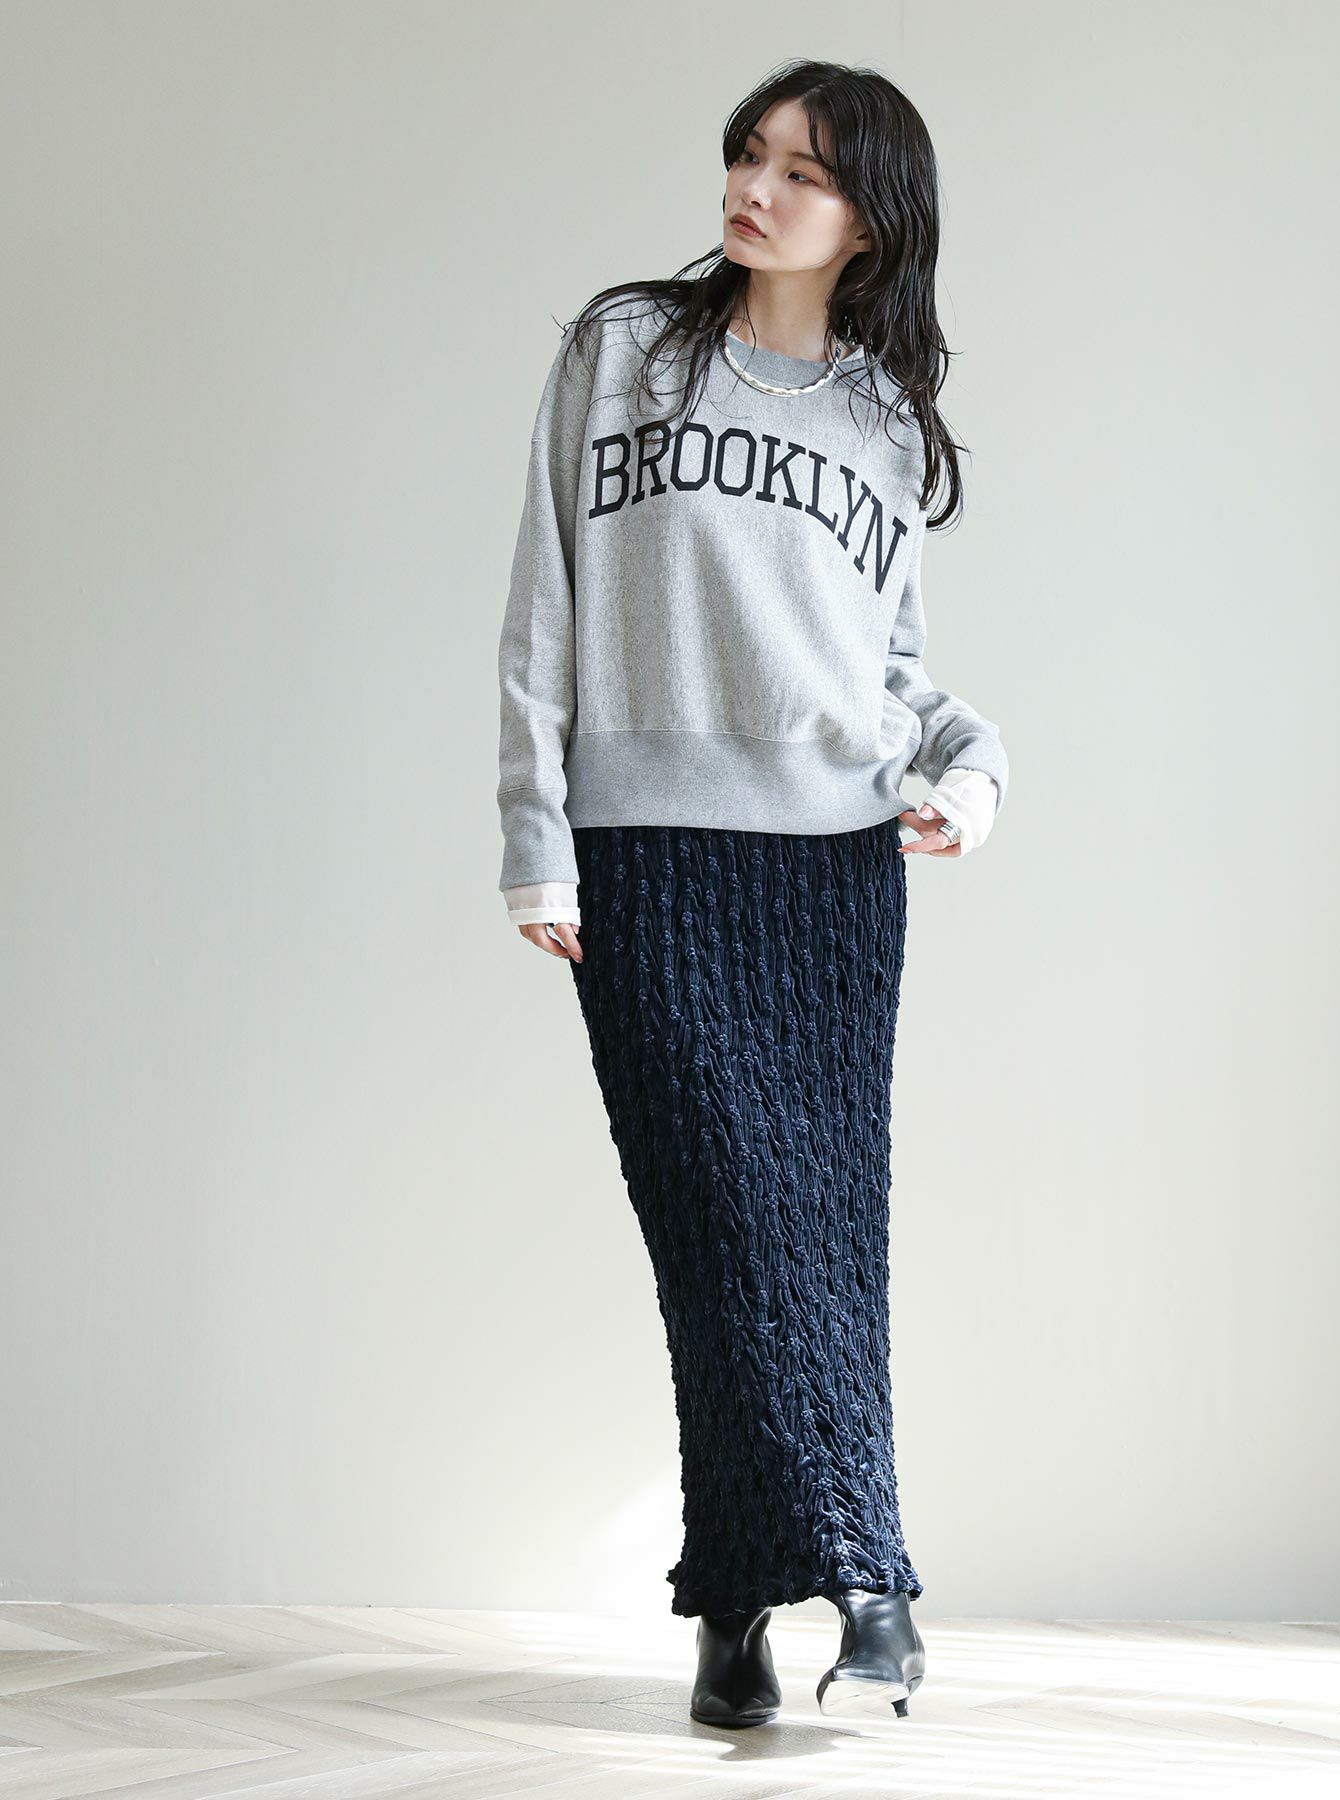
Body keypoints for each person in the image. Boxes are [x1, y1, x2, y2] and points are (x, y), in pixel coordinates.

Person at [496, 58, 1010, 1727]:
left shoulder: (882, 421)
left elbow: (897, 676)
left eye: (802, 172)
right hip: (647, 854)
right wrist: (535, 834)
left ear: (870, 221)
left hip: (835, 874)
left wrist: (975, 773)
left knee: (823, 1237)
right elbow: (544, 608)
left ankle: (733, 1612)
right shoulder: (624, 352)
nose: (756, 187)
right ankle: (870, 1571)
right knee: (725, 1233)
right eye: (747, 155)